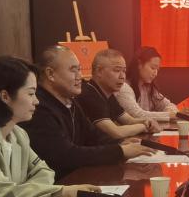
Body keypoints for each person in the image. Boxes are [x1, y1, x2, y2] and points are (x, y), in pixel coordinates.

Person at [0, 56, 100, 197]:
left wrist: (22, 192)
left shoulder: (19, 134)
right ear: (5, 96)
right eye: (31, 93)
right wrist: (62, 192)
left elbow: (45, 171)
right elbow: (2, 194)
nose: (37, 101)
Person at [22, 46, 155, 178]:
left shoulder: (70, 101)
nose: (80, 76)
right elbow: (66, 155)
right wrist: (119, 151)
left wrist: (119, 143)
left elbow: (92, 135)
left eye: (79, 70)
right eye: (73, 70)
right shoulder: (38, 108)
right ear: (51, 74)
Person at [76, 48, 162, 139]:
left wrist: (147, 121)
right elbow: (116, 132)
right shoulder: (89, 94)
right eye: (117, 70)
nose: (122, 77)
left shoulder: (108, 94)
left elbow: (129, 120)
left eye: (124, 71)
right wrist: (144, 126)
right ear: (99, 71)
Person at [117, 46, 178, 122]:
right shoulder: (124, 87)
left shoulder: (148, 87)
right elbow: (137, 114)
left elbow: (168, 104)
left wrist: (171, 111)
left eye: (157, 69)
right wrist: (169, 115)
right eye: (153, 68)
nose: (155, 73)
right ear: (139, 64)